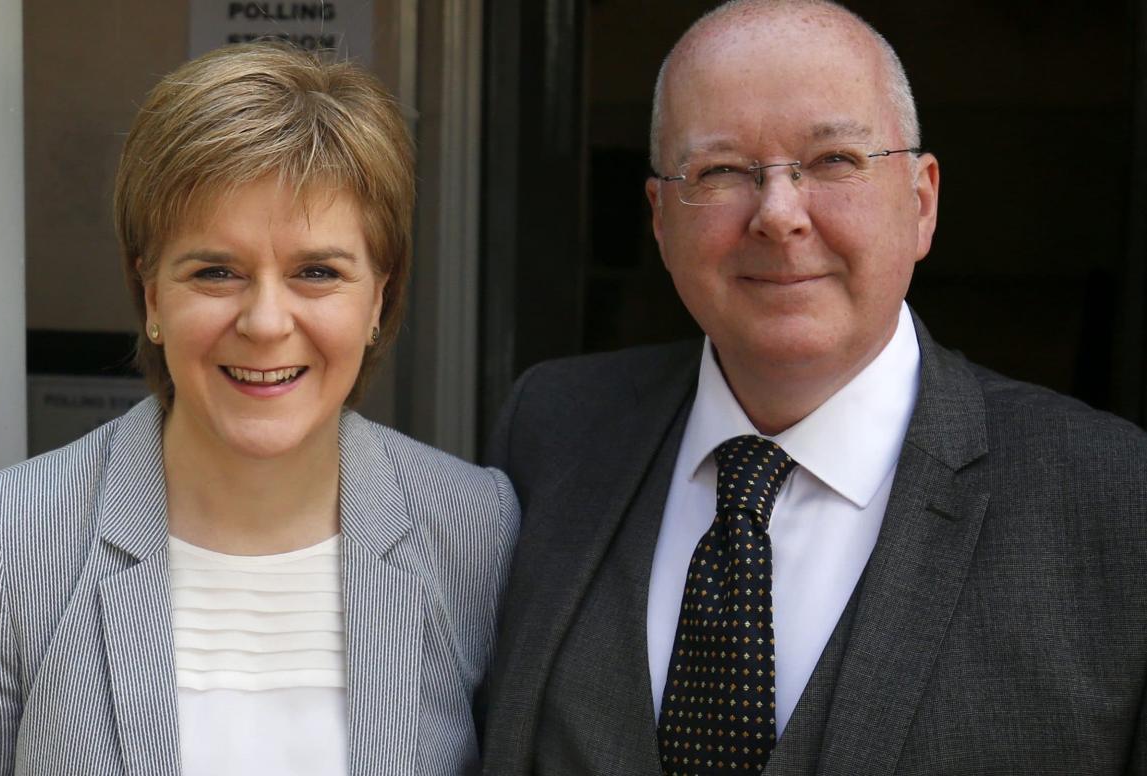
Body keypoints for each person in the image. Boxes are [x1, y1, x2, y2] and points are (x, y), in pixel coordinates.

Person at [481, 1, 1147, 774]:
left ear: (921, 201)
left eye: (833, 161)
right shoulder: (552, 430)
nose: (778, 214)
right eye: (721, 171)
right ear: (659, 219)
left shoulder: (1115, 502)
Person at [0, 43, 518, 775]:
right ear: (152, 294)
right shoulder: (7, 546)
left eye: (316, 272)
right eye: (216, 271)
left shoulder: (476, 532)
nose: (265, 322)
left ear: (379, 298)